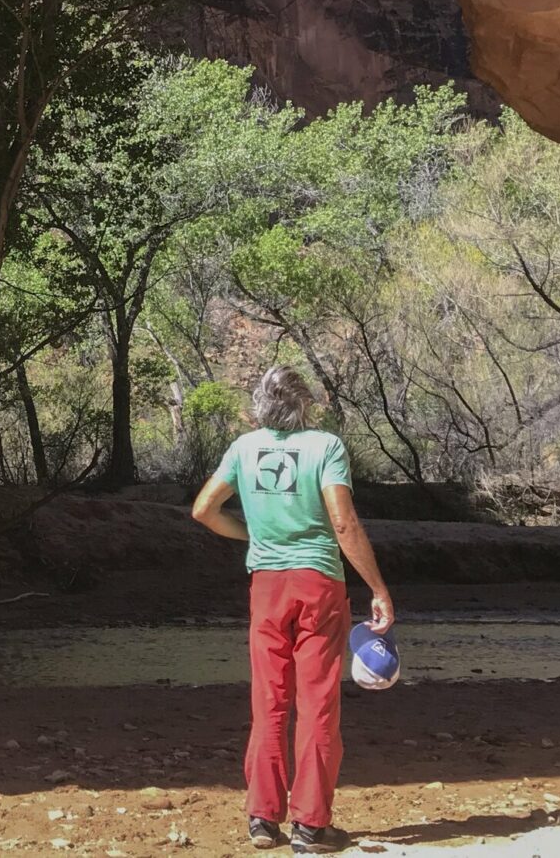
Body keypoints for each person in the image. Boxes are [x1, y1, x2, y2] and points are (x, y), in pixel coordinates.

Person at [191, 366, 395, 854]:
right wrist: (379, 588)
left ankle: (263, 819)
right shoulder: (325, 447)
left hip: (266, 586)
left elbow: (203, 510)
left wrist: (254, 535)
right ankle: (310, 827)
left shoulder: (243, 448)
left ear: (260, 403)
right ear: (304, 403)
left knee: (269, 704)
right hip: (319, 585)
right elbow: (343, 524)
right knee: (318, 705)